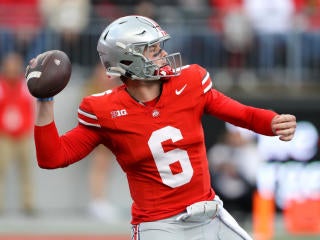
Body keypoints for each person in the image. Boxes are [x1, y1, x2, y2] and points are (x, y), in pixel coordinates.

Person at [27, 16, 296, 240]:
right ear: (129, 60)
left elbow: (242, 114)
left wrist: (272, 122)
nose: (164, 54)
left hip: (210, 214)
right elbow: (53, 157)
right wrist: (45, 100)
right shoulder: (103, 109)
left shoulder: (190, 82)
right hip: (159, 226)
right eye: (154, 50)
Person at [83, 63, 122, 221]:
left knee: (105, 168)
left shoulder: (116, 90)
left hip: (110, 135)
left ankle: (101, 200)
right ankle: (97, 201)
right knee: (99, 167)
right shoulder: (91, 90)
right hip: (97, 135)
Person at [0, 52, 35, 215]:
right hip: (4, 136)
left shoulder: (25, 85)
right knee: (1, 171)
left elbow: (29, 109)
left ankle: (28, 204)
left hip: (23, 136)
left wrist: (26, 128)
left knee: (26, 171)